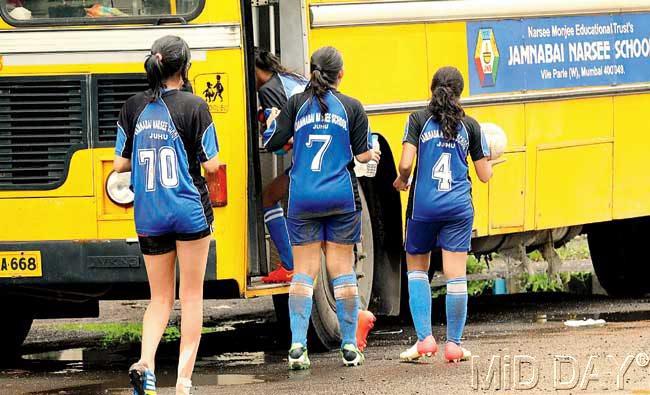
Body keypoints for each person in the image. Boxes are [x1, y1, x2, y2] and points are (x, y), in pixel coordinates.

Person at [113, 35, 220, 395]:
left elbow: (119, 164)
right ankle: (184, 381)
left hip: (150, 214)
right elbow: (213, 164)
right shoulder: (195, 106)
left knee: (159, 298)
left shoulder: (132, 107)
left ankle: (146, 363)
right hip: (189, 210)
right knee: (190, 296)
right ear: (185, 68)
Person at [265, 46, 381, 370]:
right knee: (342, 271)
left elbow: (273, 141)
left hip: (302, 197)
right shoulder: (352, 107)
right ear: (340, 75)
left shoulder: (295, 104)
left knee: (304, 272)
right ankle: (348, 345)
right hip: (341, 197)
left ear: (312, 71)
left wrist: (283, 130)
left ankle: (298, 346)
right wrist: (372, 155)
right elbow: (361, 156)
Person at [393, 66, 493, 363]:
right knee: (456, 275)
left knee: (417, 270)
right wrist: (495, 159)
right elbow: (485, 175)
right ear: (461, 94)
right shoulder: (471, 126)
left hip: (423, 207)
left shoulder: (418, 120)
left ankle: (424, 339)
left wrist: (402, 180)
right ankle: (454, 344)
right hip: (458, 208)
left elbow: (406, 164)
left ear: (432, 88)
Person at [255, 49, 309, 284]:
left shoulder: (268, 91)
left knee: (267, 197)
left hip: (305, 161)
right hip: (323, 159)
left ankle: (289, 264)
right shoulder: (292, 79)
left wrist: (266, 131)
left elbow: (278, 144)